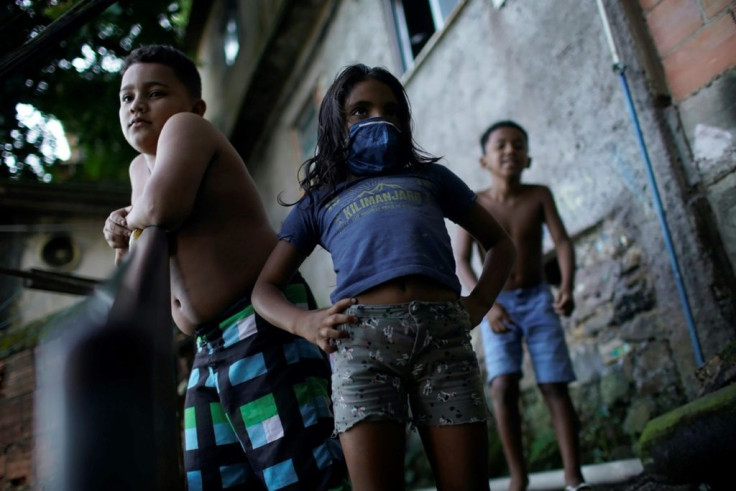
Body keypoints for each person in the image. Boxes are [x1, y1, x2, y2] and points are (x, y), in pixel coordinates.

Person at [251, 63, 516, 490]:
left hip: (445, 343)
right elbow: (264, 289)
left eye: (391, 110)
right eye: (360, 110)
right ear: (335, 125)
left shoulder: (431, 178)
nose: (379, 118)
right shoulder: (319, 200)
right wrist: (305, 322)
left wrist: (480, 302)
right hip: (361, 351)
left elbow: (501, 244)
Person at [102, 45, 347, 490]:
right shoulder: (140, 170)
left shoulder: (187, 129)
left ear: (195, 106)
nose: (137, 104)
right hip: (206, 346)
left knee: (299, 471)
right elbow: (139, 281)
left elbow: (163, 208)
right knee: (213, 477)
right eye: (126, 97)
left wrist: (130, 217)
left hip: (259, 320)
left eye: (154, 92)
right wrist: (121, 240)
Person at [454, 120, 589, 491]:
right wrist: (485, 304)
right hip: (496, 304)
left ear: (528, 158)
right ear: (485, 160)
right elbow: (461, 260)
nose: (510, 150)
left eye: (518, 145)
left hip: (538, 298)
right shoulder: (474, 203)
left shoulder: (539, 195)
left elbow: (562, 242)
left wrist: (568, 286)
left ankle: (574, 478)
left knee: (554, 384)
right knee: (503, 386)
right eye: (500, 145)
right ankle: (518, 478)